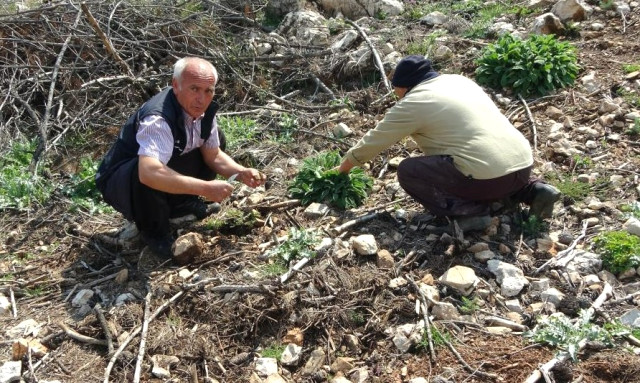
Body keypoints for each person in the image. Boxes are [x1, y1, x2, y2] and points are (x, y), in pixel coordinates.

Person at [337, 55, 560, 231]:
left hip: (487, 177)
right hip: (522, 166)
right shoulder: (459, 80)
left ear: (404, 86)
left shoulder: (414, 101)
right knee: (487, 165)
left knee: (409, 170)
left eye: (395, 89)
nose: (395, 94)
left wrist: (344, 168)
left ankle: (471, 212)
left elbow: (375, 140)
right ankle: (533, 190)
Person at [96, 57, 266, 257]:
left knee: (214, 138)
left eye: (208, 91)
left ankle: (180, 206)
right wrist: (204, 188)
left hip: (156, 169)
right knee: (146, 169)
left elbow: (214, 155)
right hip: (121, 182)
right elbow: (149, 173)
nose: (201, 99)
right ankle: (155, 232)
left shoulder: (203, 112)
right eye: (194, 89)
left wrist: (240, 172)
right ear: (175, 86)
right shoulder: (158, 119)